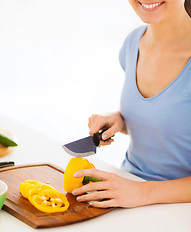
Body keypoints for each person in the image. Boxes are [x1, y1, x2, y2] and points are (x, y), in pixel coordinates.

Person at [72, 0, 191, 208]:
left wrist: (141, 192)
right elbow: (172, 123)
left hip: (177, 209)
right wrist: (119, 120)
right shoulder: (134, 42)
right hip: (126, 189)